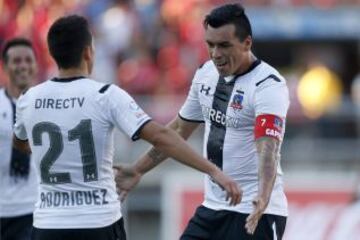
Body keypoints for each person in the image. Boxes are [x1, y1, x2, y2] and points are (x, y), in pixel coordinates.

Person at [12, 15, 241, 240]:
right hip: (98, 222)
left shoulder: (29, 99)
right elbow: (161, 136)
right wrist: (213, 171)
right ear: (88, 52)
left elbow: (21, 142)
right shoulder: (105, 96)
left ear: (52, 54)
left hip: (48, 225)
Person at [115, 3, 290, 239]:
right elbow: (177, 130)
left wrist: (264, 195)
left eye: (224, 45)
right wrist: (138, 169)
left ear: (247, 43)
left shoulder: (268, 84)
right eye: (211, 45)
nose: (216, 54)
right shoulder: (205, 74)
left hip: (255, 210)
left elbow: (268, 148)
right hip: (213, 209)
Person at [0, 38, 38, 240]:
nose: (23, 66)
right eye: (16, 61)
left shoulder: (47, 105)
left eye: (28, 60)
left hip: (33, 208)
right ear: (5, 66)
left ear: (36, 65)